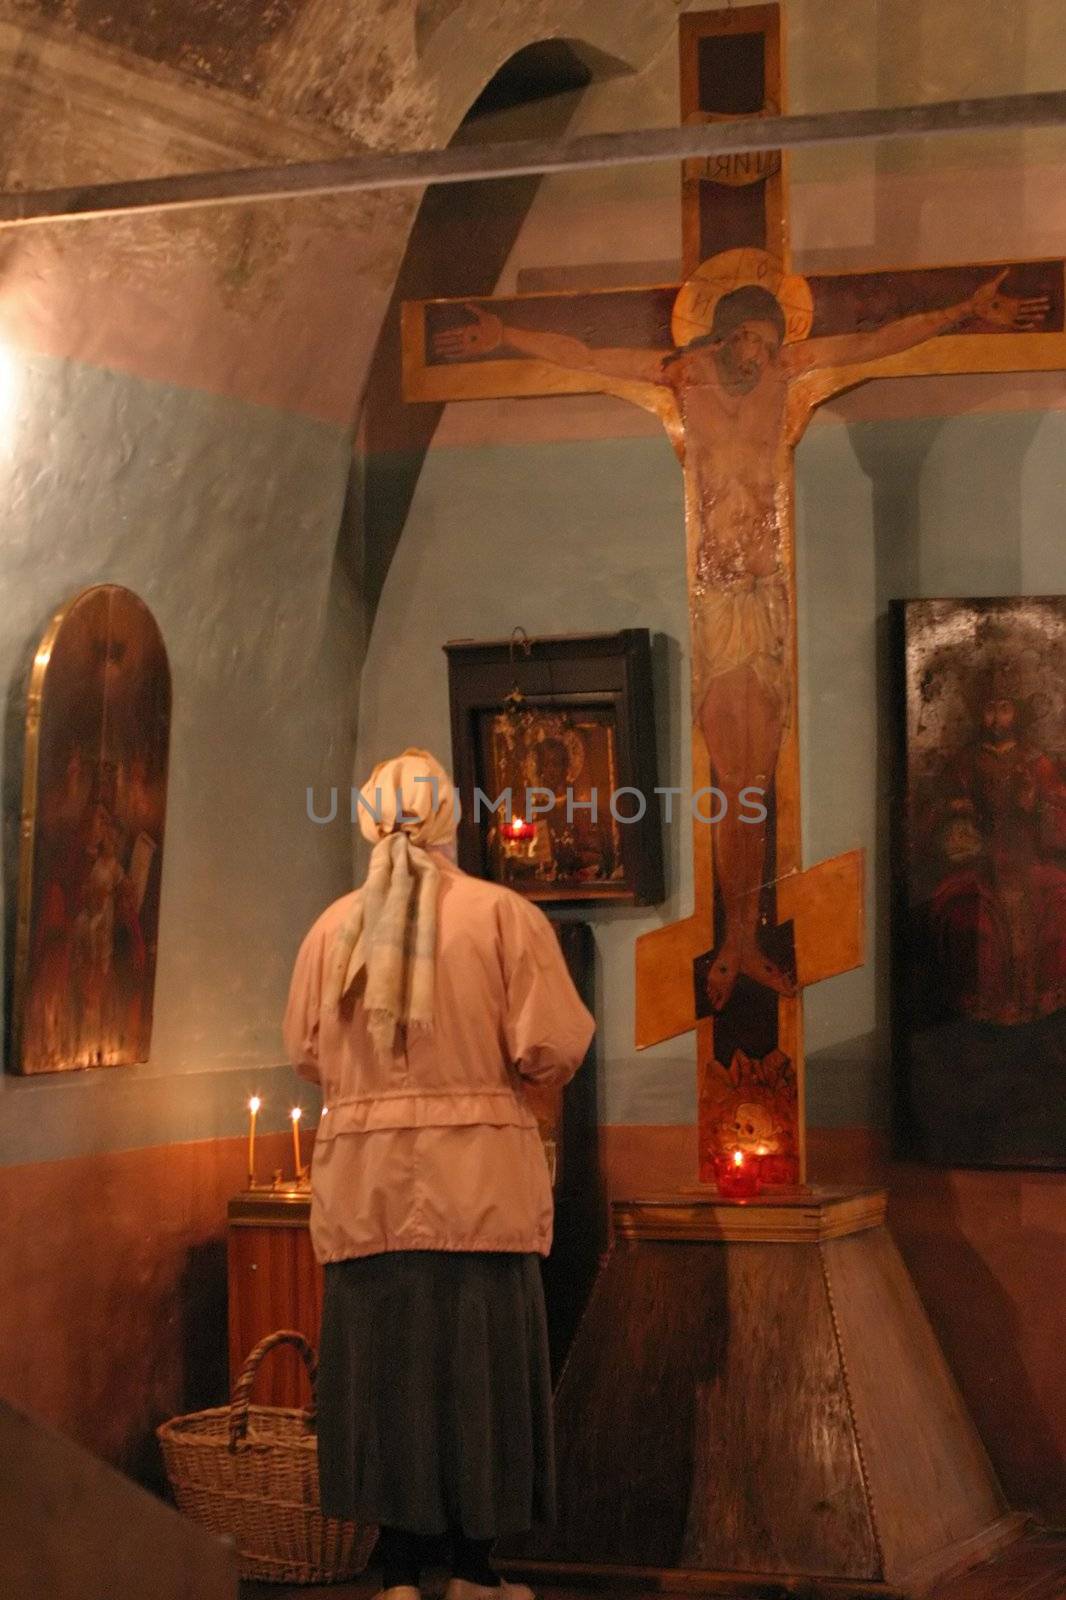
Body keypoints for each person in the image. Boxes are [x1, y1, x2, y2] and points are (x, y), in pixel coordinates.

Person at [435, 268, 1049, 1013]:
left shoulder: (789, 377)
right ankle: (737, 942)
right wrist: (505, 335)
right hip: (720, 609)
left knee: (751, 789)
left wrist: (962, 310)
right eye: (748, 339)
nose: (758, 354)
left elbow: (877, 342)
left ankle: (742, 940)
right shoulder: (681, 378)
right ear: (721, 334)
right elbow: (586, 353)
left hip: (763, 612)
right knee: (734, 791)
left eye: (769, 341)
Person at [283, 749, 595, 1600]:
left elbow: (307, 1055)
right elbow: (553, 1047)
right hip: (482, 1189)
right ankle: (472, 1569)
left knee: (381, 1379)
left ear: (368, 817)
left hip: (366, 1190)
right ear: (452, 817)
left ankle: (391, 1565)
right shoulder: (502, 918)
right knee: (478, 1380)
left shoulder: (329, 930)